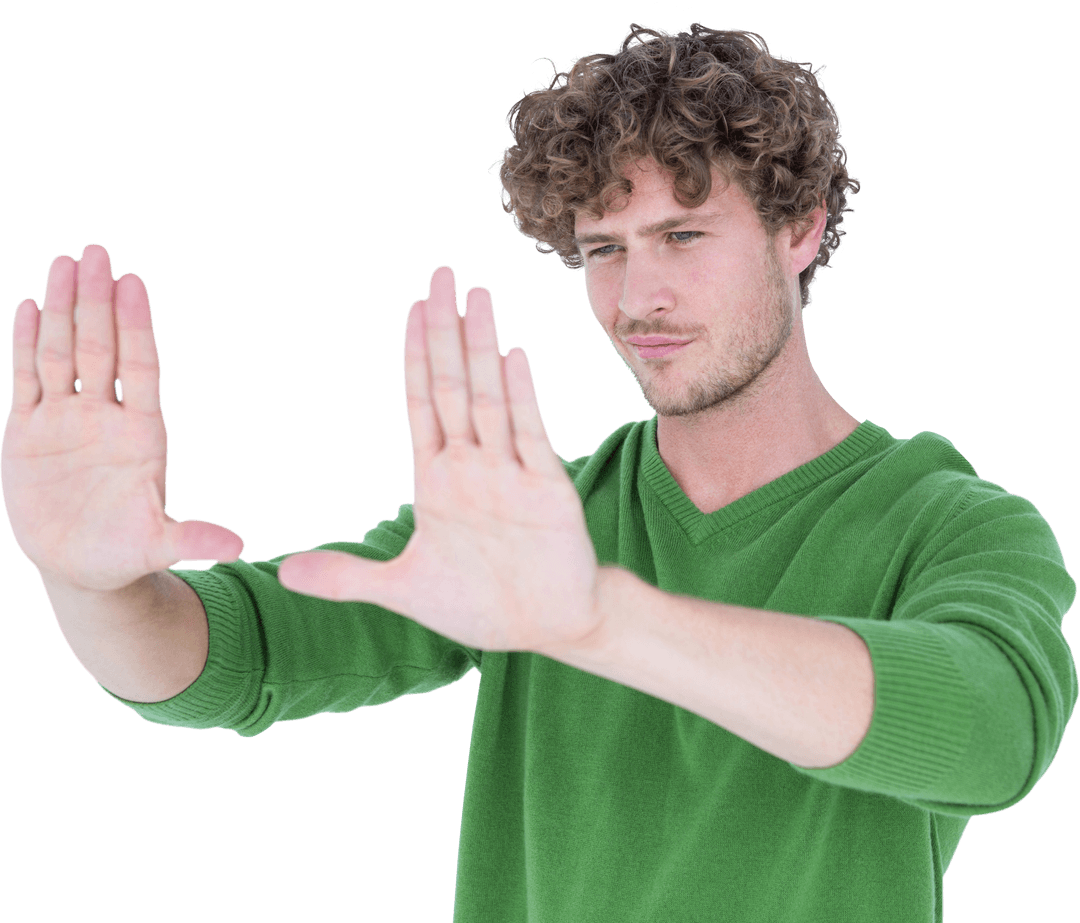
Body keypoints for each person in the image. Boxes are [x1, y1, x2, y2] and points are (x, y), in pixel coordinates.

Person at [2, 21, 1076, 923]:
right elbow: (239, 658)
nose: (635, 296)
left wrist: (594, 620)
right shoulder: (534, 523)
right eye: (604, 248)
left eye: (683, 233)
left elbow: (991, 730)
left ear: (801, 228)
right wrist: (86, 580)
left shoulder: (957, 525)